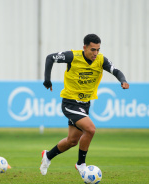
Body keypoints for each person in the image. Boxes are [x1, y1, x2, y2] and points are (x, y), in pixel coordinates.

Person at [40, 34, 129, 177]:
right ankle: (81, 164)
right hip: (70, 102)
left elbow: (116, 71)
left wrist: (122, 80)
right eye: (93, 49)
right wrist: (47, 80)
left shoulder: (101, 60)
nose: (96, 53)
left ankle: (48, 156)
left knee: (72, 141)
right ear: (85, 47)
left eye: (98, 50)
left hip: (85, 104)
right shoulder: (72, 57)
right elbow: (50, 58)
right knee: (91, 129)